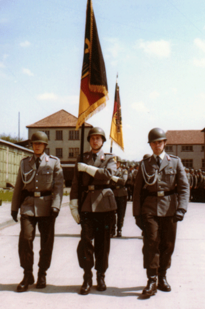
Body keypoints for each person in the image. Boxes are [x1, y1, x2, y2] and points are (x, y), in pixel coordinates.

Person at [133, 128, 189, 297]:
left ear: (164, 143)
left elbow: (184, 187)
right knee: (151, 243)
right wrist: (137, 214)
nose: (157, 145)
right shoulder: (144, 164)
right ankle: (151, 280)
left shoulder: (175, 162)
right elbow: (137, 192)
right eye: (154, 143)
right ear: (150, 145)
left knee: (168, 244)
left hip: (170, 209)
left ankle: (162, 276)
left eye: (160, 142)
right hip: (150, 208)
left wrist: (182, 208)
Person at [11, 131, 64, 292]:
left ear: (45, 146)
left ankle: (42, 273)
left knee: (46, 243)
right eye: (35, 144)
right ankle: (27, 274)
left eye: (40, 144)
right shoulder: (24, 163)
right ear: (32, 145)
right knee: (25, 239)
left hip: (47, 207)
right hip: (27, 206)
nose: (37, 146)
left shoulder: (53, 162)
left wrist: (56, 205)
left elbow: (59, 186)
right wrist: (14, 208)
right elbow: (19, 187)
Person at [69, 127, 117, 295]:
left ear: (103, 141)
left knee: (103, 244)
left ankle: (101, 275)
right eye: (92, 138)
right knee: (86, 243)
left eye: (98, 138)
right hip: (87, 205)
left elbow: (107, 175)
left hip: (104, 205)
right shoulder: (82, 158)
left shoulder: (110, 158)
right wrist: (74, 203)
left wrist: (88, 169)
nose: (95, 141)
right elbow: (76, 183)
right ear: (89, 140)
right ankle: (87, 276)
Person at [112, 157, 128, 237]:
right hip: (113, 194)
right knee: (112, 213)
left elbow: (123, 181)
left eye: (117, 163)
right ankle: (112, 230)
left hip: (122, 194)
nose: (116, 164)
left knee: (121, 214)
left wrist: (113, 178)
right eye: (115, 163)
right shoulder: (111, 171)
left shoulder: (124, 171)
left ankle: (119, 230)